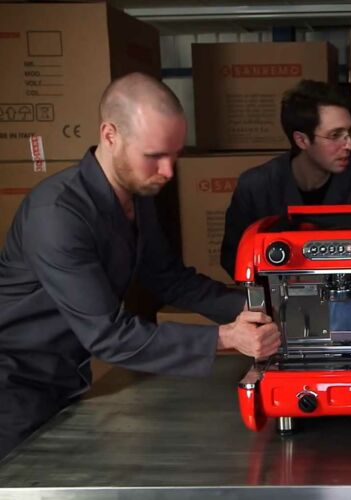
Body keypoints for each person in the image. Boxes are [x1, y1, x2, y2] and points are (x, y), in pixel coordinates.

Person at [0, 73, 281, 459]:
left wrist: (263, 309)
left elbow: (167, 277)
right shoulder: (56, 215)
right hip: (13, 385)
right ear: (110, 134)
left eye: (174, 155)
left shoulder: (137, 194)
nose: (168, 171)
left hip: (65, 377)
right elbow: (108, 335)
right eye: (154, 156)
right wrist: (226, 338)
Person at [220, 80, 351, 279]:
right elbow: (233, 258)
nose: (349, 145)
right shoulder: (256, 186)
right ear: (302, 140)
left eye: (350, 132)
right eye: (335, 135)